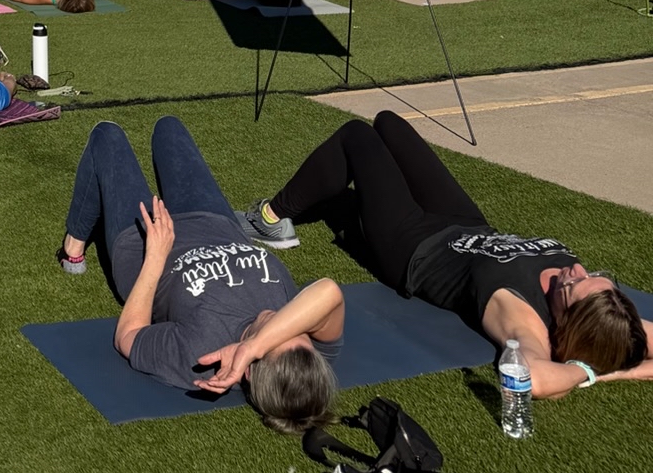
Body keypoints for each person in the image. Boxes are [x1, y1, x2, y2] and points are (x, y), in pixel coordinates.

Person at [244, 113, 653, 396]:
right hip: (466, 224)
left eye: (575, 286)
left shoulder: (523, 319)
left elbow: (534, 378)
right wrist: (625, 364)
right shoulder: (612, 315)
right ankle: (340, 205)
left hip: (414, 249)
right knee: (389, 123)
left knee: (357, 136)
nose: (576, 270)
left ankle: (271, 217)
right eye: (591, 273)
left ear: (568, 322)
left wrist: (590, 373)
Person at [58, 116, 343, 427]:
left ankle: (73, 244)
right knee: (169, 128)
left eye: (279, 336)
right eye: (295, 331)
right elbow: (328, 290)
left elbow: (127, 337)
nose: (287, 324)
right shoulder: (302, 355)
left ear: (247, 369)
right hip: (215, 222)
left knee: (107, 136)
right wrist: (255, 345)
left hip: (144, 248)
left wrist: (155, 256)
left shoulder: (202, 354)